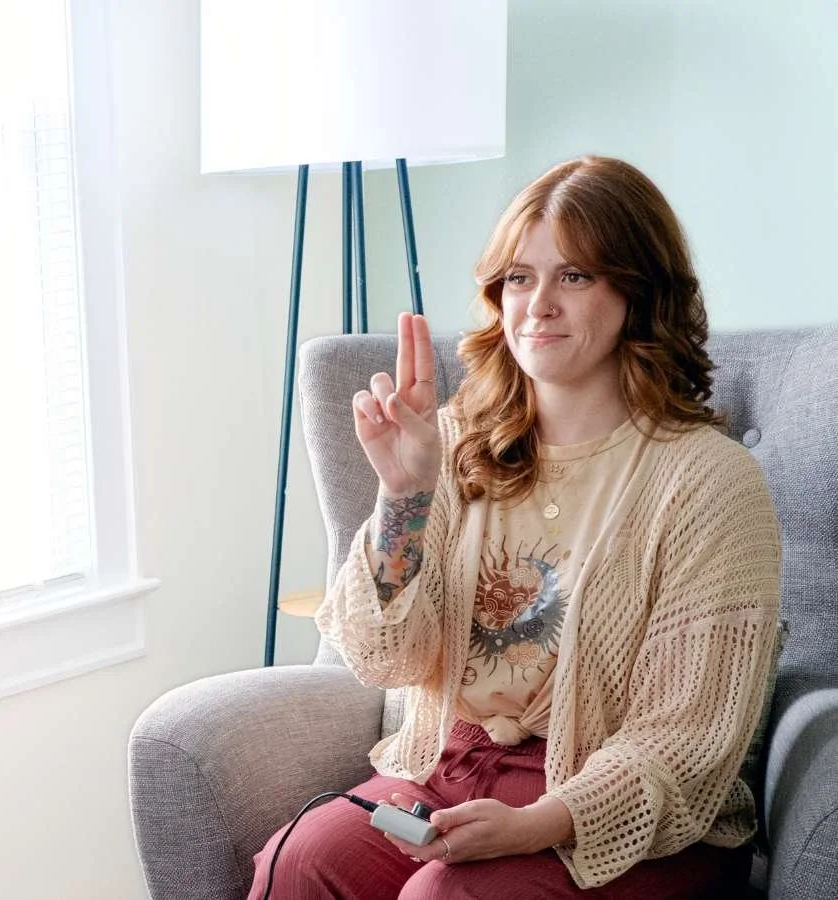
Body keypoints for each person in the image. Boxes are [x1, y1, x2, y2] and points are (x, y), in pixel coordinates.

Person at [248, 156, 781, 898]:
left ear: (639, 290)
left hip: (622, 809)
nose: (538, 305)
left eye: (575, 276)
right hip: (454, 768)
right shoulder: (457, 441)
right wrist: (404, 494)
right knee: (303, 859)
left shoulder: (708, 481)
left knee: (446, 896)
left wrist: (543, 821)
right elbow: (382, 656)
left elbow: (687, 742)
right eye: (519, 278)